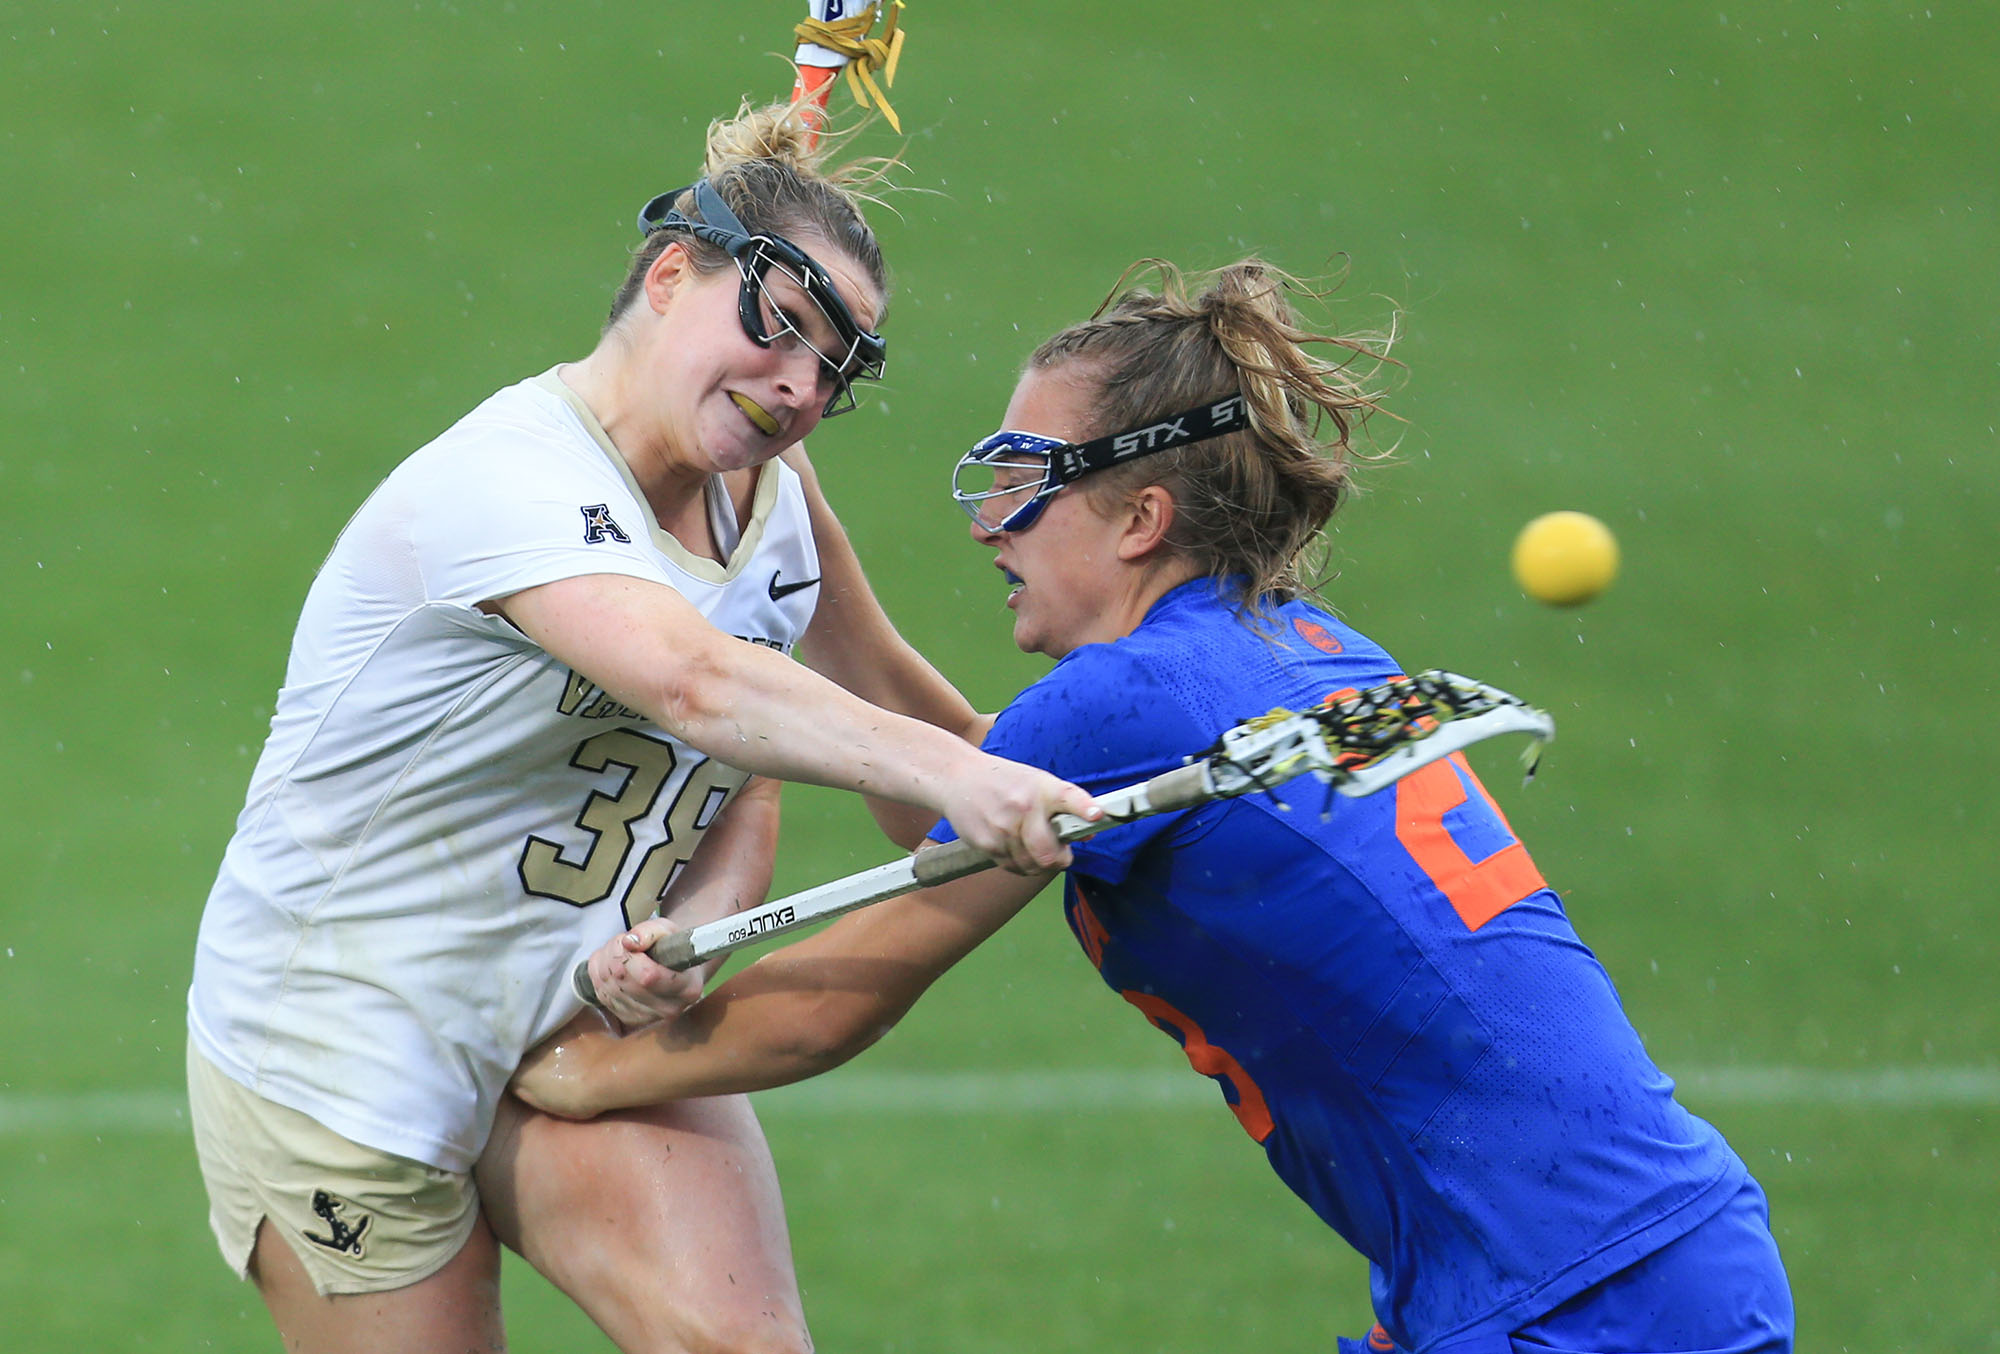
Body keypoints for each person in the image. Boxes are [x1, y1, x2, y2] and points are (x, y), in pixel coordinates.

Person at [515, 258, 1798, 1353]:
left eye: (1023, 478)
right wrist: (812, 553)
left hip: (1575, 1299)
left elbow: (841, 992)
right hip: (1620, 1254)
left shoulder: (1127, 698)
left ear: (1138, 515)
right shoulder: (1284, 643)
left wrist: (578, 1078)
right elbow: (966, 799)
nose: (987, 526)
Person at [184, 100, 1100, 1354]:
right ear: (672, 275)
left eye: (836, 367)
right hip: (348, 1055)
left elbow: (806, 757)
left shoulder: (770, 501)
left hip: (583, 1026)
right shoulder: (507, 481)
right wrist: (961, 773)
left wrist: (690, 925)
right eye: (779, 328)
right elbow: (696, 686)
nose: (796, 387)